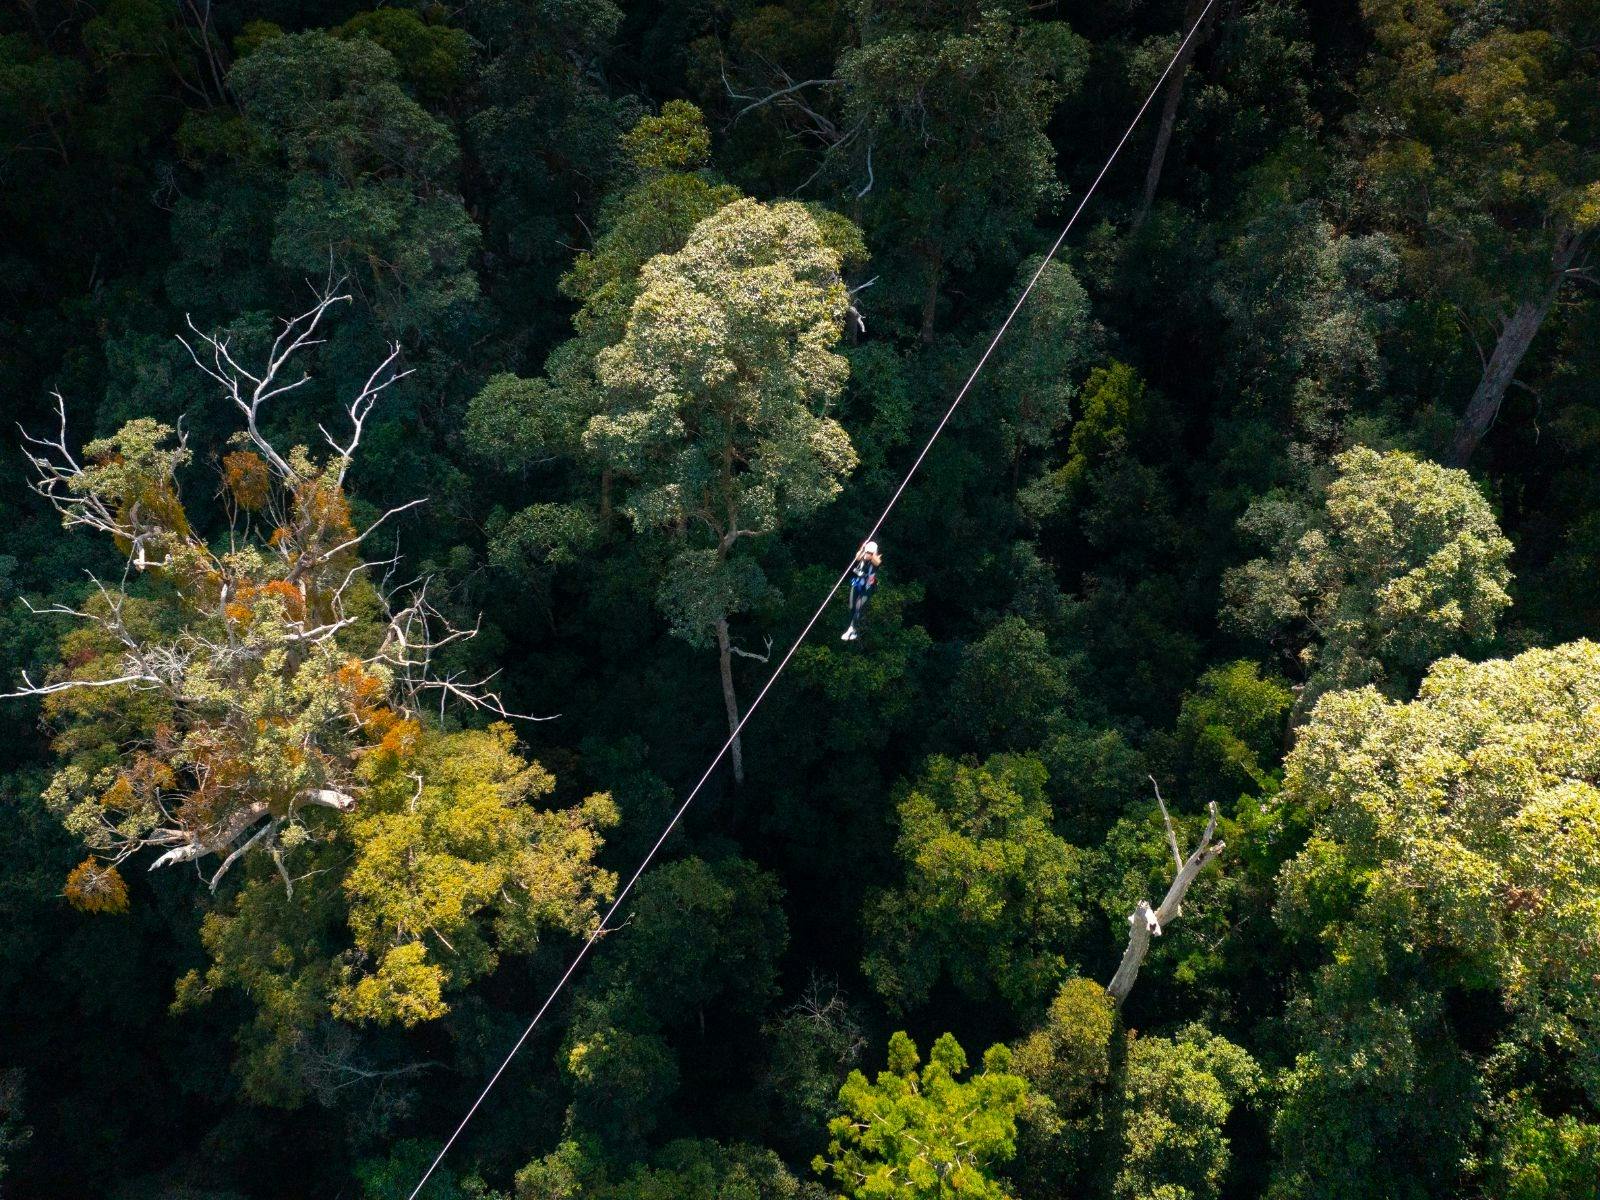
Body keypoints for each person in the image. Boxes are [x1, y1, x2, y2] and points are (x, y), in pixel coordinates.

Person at [841, 540, 882, 641]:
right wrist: (863, 548)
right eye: (867, 552)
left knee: (858, 606)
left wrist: (872, 555)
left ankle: (851, 628)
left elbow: (877, 562)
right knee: (852, 606)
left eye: (870, 553)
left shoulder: (875, 560)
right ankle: (853, 631)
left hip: (868, 588)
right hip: (857, 584)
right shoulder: (862, 556)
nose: (867, 554)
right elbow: (857, 557)